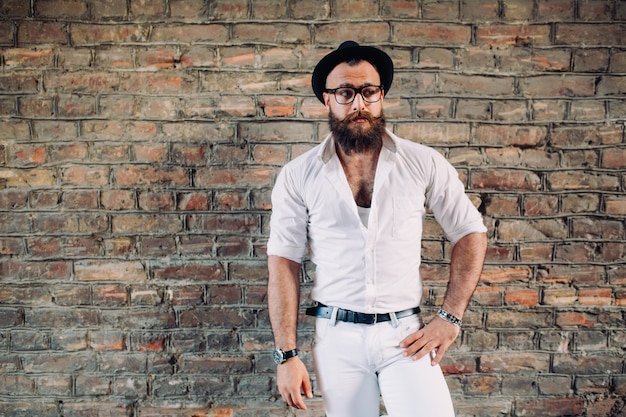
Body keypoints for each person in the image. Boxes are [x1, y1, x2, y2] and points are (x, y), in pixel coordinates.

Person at [266, 40, 488, 417]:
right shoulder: (298, 175)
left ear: (381, 95)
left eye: (369, 92)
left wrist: (449, 317)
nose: (359, 104)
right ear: (327, 100)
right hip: (336, 337)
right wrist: (286, 354)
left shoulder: (422, 163)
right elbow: (283, 262)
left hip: (405, 334)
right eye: (346, 93)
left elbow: (470, 232)